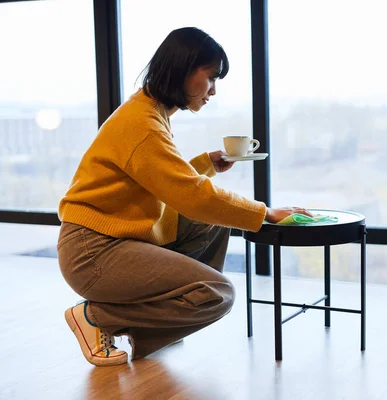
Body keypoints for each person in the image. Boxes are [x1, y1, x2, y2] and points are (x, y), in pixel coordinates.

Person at [57, 27, 312, 366]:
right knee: (216, 294)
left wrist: (206, 164)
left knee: (213, 223)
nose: (213, 91)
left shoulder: (150, 111)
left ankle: (164, 321)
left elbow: (160, 182)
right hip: (94, 251)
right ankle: (98, 317)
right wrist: (264, 212)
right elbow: (188, 194)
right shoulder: (141, 123)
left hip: (114, 238)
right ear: (184, 69)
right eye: (211, 78)